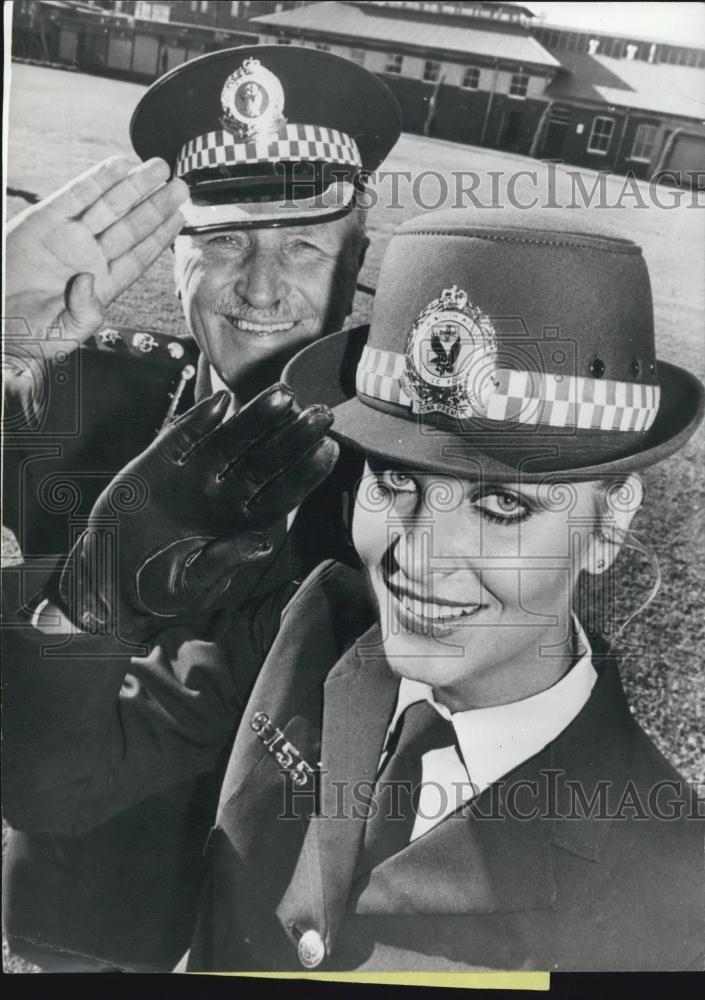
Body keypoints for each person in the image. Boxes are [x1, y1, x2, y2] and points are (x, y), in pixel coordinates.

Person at [4, 209, 704, 972]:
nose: (419, 559)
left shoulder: (674, 891)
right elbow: (50, 792)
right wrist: (98, 590)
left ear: (609, 524)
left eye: (501, 504)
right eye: (395, 478)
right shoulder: (309, 630)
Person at [2, 44, 401, 972]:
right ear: (177, 251)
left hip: (264, 933)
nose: (260, 289)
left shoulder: (403, 479)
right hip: (77, 914)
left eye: (303, 245)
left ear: (357, 262)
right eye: (225, 242)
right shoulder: (83, 393)